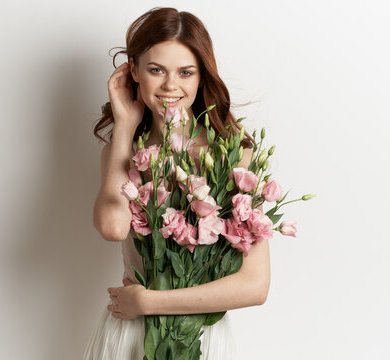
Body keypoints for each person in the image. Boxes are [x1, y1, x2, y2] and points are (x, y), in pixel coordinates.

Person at [84, 7, 271, 360]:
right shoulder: (120, 151)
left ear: (201, 78)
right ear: (134, 71)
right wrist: (124, 125)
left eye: (186, 72)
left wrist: (150, 302)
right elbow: (112, 227)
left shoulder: (232, 159)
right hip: (129, 334)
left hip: (198, 336)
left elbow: (254, 286)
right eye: (156, 70)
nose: (171, 85)